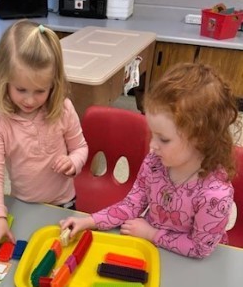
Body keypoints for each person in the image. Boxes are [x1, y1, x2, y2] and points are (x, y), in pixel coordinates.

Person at [60, 63, 241, 259]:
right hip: (150, 251)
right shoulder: (156, 162)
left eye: (163, 139)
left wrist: (152, 234)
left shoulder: (214, 195)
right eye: (152, 134)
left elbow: (200, 248)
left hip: (186, 262)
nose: (152, 145)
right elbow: (131, 205)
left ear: (201, 138)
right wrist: (88, 222)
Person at [0, 20, 88, 255]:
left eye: (40, 91)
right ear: (3, 80)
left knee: (62, 257)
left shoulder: (64, 109)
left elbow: (80, 148)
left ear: (54, 84)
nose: (30, 100)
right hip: (23, 204)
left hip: (64, 204)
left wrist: (73, 162)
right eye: (21, 90)